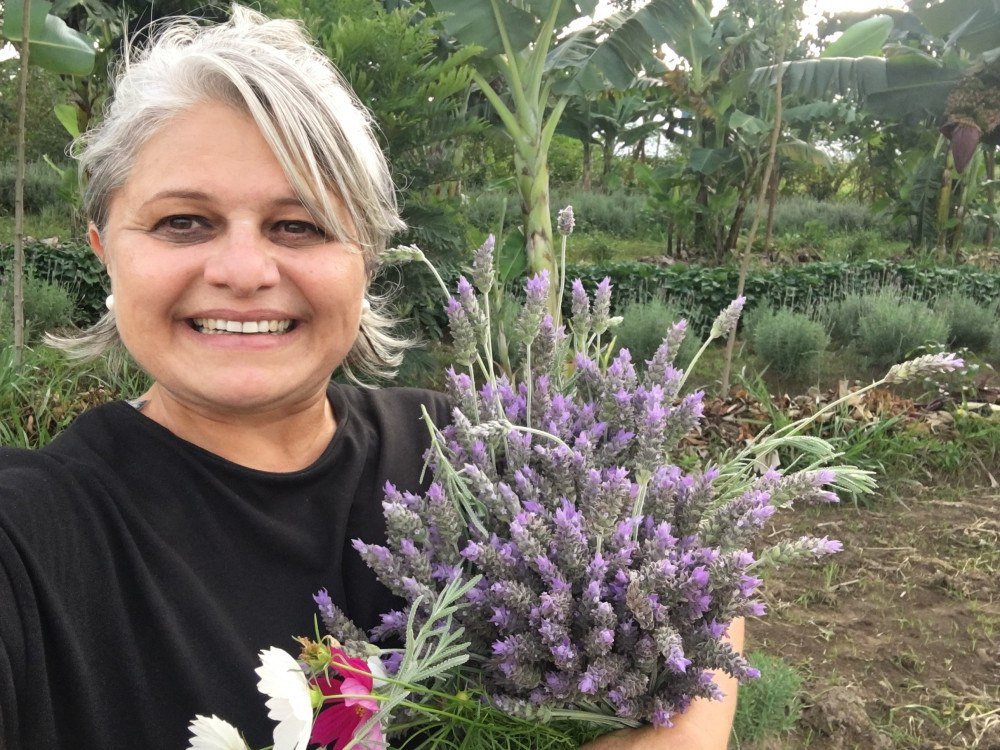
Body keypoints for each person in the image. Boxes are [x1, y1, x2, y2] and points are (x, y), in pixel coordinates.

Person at [0, 6, 740, 749]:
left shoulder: (471, 451)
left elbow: (703, 568)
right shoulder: (35, 538)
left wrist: (679, 736)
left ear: (367, 260)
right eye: (183, 222)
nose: (244, 272)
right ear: (104, 250)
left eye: (300, 226)